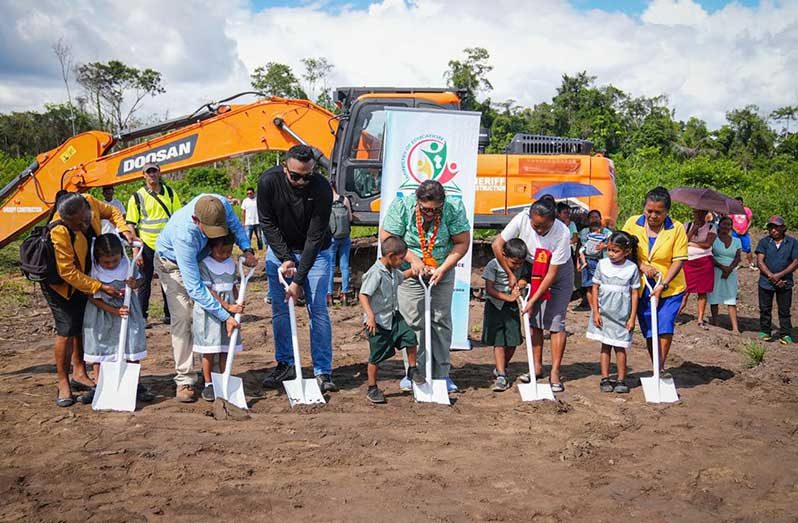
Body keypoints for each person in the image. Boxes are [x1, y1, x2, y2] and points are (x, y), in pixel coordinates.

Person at [155, 194, 255, 402]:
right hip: (173, 265)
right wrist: (225, 314)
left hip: (203, 258)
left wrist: (247, 249)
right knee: (184, 318)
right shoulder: (184, 235)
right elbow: (195, 288)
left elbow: (236, 227)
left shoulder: (221, 204)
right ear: (196, 220)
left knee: (204, 319)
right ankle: (185, 379)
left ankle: (213, 375)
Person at [258, 145, 338, 392]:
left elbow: (315, 238)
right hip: (280, 251)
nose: (302, 181)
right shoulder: (268, 181)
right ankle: (286, 364)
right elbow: (267, 223)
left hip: (316, 253)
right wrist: (284, 257)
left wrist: (297, 281)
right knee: (281, 311)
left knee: (318, 311)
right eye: (295, 176)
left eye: (307, 175)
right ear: (285, 169)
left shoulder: (322, 188)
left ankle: (322, 371)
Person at [44, 192, 136, 407]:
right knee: (67, 330)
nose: (83, 226)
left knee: (82, 325)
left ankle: (79, 372)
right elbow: (67, 272)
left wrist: (122, 227)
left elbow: (112, 211)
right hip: (61, 285)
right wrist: (100, 287)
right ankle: (63, 382)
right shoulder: (59, 230)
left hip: (87, 277)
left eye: (85, 220)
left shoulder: (90, 201)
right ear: (67, 220)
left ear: (86, 208)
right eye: (76, 225)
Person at [381, 180, 471, 393]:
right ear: (417, 201)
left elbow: (462, 242)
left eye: (435, 210)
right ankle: (414, 372)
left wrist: (443, 268)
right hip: (411, 272)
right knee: (413, 321)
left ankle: (441, 374)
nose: (430, 214)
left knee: (440, 320)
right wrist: (412, 260)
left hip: (441, 271)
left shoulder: (453, 209)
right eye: (425, 210)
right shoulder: (402, 207)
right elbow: (388, 238)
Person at [492, 195, 574, 392]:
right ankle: (536, 367)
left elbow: (552, 275)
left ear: (553, 221)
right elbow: (497, 245)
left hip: (557, 275)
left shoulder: (562, 232)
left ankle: (554, 372)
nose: (538, 230)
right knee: (534, 321)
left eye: (543, 226)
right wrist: (510, 274)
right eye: (535, 225)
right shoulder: (521, 218)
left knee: (555, 322)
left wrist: (533, 299)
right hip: (532, 269)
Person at [622, 187, 688, 376]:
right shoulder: (632, 223)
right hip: (641, 286)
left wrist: (662, 284)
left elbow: (679, 260)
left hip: (670, 287)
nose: (652, 216)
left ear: (666, 212)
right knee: (650, 329)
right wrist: (642, 266)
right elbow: (624, 247)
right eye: (649, 211)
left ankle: (659, 367)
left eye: (658, 212)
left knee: (665, 324)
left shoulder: (676, 228)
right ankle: (656, 365)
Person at [81, 234, 152, 403]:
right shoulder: (94, 271)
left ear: (121, 254)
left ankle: (134, 384)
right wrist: (113, 310)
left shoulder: (128, 265)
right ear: (97, 258)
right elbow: (92, 297)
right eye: (106, 262)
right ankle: (99, 385)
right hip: (102, 314)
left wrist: (135, 284)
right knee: (101, 347)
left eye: (115, 260)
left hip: (128, 313)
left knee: (131, 343)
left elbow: (140, 282)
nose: (112, 265)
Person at [359, 235, 418, 404]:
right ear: (391, 256)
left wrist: (416, 271)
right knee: (376, 356)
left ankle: (412, 370)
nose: (402, 262)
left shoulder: (392, 271)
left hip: (393, 316)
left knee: (410, 337)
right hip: (378, 322)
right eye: (401, 259)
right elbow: (363, 295)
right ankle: (372, 388)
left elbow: (402, 276)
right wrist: (370, 316)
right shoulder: (375, 273)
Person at [126, 163, 182, 326]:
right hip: (147, 247)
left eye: (154, 171)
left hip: (167, 246)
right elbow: (131, 223)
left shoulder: (170, 193)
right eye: (148, 172)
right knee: (144, 282)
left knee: (170, 280)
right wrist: (136, 248)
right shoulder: (137, 197)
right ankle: (142, 316)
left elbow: (177, 218)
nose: (152, 175)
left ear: (159, 173)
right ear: (143, 175)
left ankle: (169, 314)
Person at [192, 234, 245, 402]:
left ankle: (224, 378)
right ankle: (208, 383)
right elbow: (208, 292)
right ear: (211, 248)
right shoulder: (204, 265)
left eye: (228, 252)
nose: (225, 255)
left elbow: (234, 287)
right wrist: (227, 306)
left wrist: (238, 301)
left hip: (230, 310)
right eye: (221, 252)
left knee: (224, 348)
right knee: (210, 349)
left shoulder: (232, 264)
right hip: (211, 313)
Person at [586, 231, 640, 394]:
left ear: (626, 252)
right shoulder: (602, 264)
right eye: (609, 250)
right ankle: (605, 378)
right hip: (603, 313)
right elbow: (595, 287)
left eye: (615, 251)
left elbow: (635, 293)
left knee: (620, 347)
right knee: (605, 345)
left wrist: (632, 318)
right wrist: (595, 312)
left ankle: (621, 379)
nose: (611, 254)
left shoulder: (632, 268)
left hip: (622, 315)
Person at [482, 238, 528, 392]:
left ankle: (502, 365)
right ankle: (501, 374)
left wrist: (521, 282)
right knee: (499, 340)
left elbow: (526, 277)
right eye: (514, 263)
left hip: (512, 307)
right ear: (504, 255)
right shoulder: (493, 265)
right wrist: (508, 297)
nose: (517, 266)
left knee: (513, 340)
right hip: (495, 306)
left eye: (520, 263)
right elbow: (489, 289)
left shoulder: (522, 266)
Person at [756, 215, 798, 344]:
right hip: (766, 281)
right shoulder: (764, 242)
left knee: (784, 310)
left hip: (785, 282)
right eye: (771, 227)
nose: (773, 230)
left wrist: (779, 275)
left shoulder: (792, 242)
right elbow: (760, 261)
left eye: (776, 227)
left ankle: (785, 334)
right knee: (765, 308)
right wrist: (771, 276)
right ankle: (765, 331)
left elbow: (795, 262)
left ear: (783, 228)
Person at [678, 209, 717, 328]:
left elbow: (708, 244)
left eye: (702, 213)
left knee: (702, 291)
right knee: (684, 291)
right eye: (696, 213)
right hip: (688, 261)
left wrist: (691, 244)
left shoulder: (712, 227)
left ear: (706, 215)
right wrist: (693, 229)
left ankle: (700, 318)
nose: (699, 216)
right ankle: (675, 315)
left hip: (704, 261)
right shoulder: (687, 225)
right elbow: (682, 241)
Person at [708, 216, 742, 334]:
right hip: (716, 270)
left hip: (731, 272)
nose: (726, 226)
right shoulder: (713, 239)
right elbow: (709, 256)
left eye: (728, 224)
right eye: (724, 224)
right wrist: (722, 268)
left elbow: (738, 257)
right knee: (714, 297)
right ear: (719, 225)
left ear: (731, 226)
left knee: (731, 299)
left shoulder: (737, 241)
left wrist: (729, 269)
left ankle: (735, 328)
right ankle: (715, 323)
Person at [576, 210, 612, 312]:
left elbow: (614, 244)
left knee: (601, 286)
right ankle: (593, 310)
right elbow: (580, 247)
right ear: (588, 220)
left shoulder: (607, 232)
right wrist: (578, 262)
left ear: (600, 219)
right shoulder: (584, 232)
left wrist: (604, 245)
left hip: (602, 262)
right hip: (587, 261)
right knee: (589, 286)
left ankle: (601, 308)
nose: (594, 219)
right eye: (592, 217)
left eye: (596, 217)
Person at [328, 181, 353, 306]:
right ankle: (344, 294)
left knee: (331, 267)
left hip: (332, 238)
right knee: (344, 266)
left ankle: (329, 295)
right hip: (345, 236)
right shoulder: (344, 200)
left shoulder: (326, 200)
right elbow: (350, 218)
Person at [731, 196, 756, 270]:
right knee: (735, 249)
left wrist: (746, 230)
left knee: (747, 249)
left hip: (744, 233)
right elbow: (730, 222)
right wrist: (735, 230)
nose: (738, 204)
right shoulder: (732, 211)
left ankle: (751, 264)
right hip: (735, 232)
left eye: (740, 203)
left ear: (742, 203)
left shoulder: (747, 210)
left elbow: (750, 221)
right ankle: (736, 264)